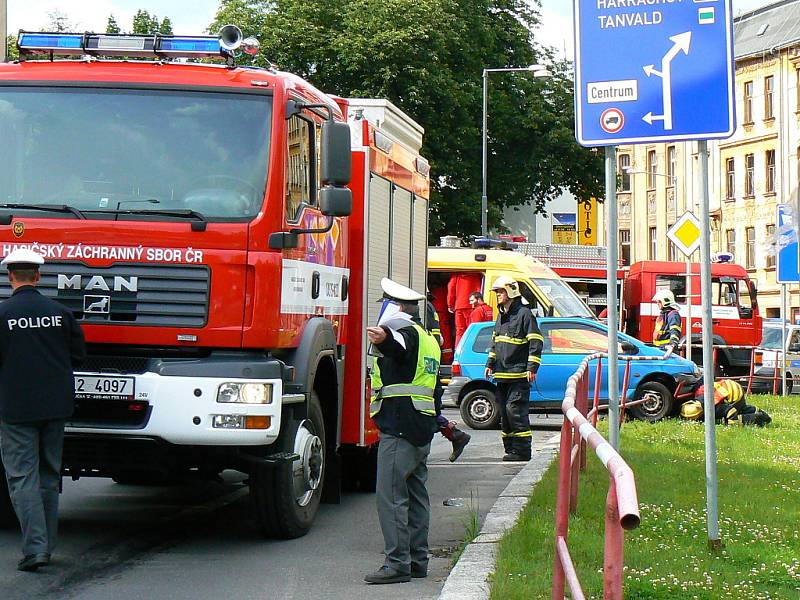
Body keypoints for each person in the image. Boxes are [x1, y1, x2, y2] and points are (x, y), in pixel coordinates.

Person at [0, 249, 86, 572]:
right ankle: (47, 545)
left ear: (11, 277)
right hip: (56, 407)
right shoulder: (60, 313)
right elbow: (78, 355)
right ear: (38, 276)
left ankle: (35, 549)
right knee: (49, 476)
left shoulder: (3, 315)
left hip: (17, 410)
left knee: (22, 478)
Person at [364, 278, 442, 584]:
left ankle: (397, 563)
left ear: (394, 307)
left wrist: (383, 339)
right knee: (416, 495)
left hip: (399, 426)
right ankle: (417, 561)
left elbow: (397, 346)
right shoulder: (428, 338)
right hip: (421, 427)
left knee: (391, 496)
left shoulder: (404, 332)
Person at [484, 276, 543, 462]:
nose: (498, 295)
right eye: (497, 292)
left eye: (500, 292)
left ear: (511, 292)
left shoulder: (525, 314)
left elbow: (536, 341)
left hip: (518, 374)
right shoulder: (501, 316)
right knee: (505, 413)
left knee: (514, 410)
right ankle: (511, 450)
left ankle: (523, 451)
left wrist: (532, 367)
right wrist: (490, 363)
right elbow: (495, 342)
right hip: (501, 374)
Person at [425, 294, 471, 462]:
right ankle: (456, 435)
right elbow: (439, 340)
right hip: (429, 368)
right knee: (430, 413)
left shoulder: (426, 308)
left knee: (427, 414)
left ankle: (456, 436)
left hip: (424, 371)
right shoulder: (430, 308)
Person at [447, 272, 483, 346]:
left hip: (459, 306)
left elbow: (451, 288)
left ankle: (458, 351)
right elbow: (479, 289)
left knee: (460, 332)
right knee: (472, 331)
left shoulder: (456, 275)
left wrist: (450, 304)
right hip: (472, 306)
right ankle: (469, 350)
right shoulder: (477, 274)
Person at [652, 289, 681, 358]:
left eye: (659, 301)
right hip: (660, 349)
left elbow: (675, 330)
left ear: (665, 301)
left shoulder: (673, 315)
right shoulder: (664, 314)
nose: (657, 303)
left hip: (668, 350)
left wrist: (673, 344)